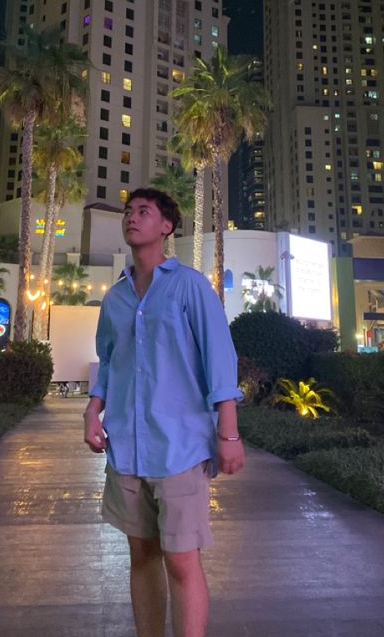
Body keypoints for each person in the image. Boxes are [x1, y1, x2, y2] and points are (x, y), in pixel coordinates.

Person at [84, 187, 244, 637]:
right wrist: (92, 411)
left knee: (180, 558)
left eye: (144, 212)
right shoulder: (115, 298)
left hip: (181, 447)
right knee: (142, 555)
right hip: (128, 448)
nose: (132, 217)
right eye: (129, 211)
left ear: (167, 227)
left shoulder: (189, 285)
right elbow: (110, 363)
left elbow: (220, 358)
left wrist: (228, 433)